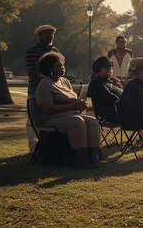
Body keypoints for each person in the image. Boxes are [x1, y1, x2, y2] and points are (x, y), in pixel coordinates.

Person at [35, 52, 102, 169]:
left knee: (92, 121)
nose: (62, 68)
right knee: (77, 122)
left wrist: (79, 105)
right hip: (50, 118)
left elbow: (74, 101)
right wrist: (72, 106)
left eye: (62, 65)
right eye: (58, 66)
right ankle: (80, 160)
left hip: (69, 115)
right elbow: (47, 109)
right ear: (50, 69)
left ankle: (94, 157)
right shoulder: (44, 85)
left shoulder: (65, 81)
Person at [24, 25, 59, 153]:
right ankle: (33, 146)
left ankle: (49, 144)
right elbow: (32, 71)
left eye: (52, 34)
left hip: (53, 89)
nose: (51, 36)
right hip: (36, 89)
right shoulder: (33, 51)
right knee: (33, 119)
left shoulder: (55, 50)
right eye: (47, 34)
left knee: (50, 116)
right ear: (40, 36)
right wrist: (47, 82)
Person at [87, 56, 123, 126]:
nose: (109, 68)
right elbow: (111, 98)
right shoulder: (96, 83)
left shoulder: (110, 82)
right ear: (98, 70)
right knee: (142, 114)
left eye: (110, 66)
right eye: (106, 67)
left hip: (121, 112)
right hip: (110, 116)